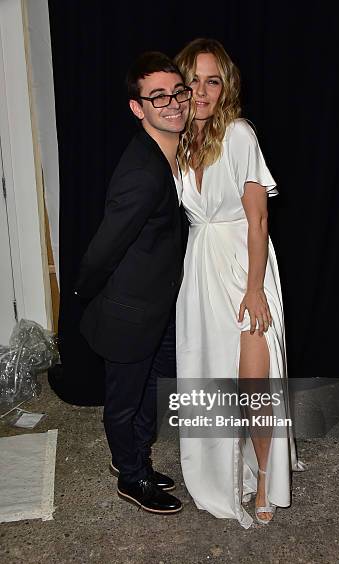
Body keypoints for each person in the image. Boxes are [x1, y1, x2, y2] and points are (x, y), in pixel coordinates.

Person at [175, 39, 304, 528]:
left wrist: (255, 289)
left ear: (225, 86)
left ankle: (268, 477)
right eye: (194, 81)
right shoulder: (180, 140)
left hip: (244, 264)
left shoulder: (239, 134)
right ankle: (224, 470)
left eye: (213, 80)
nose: (203, 91)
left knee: (256, 382)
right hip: (201, 267)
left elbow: (259, 220)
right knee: (211, 373)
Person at [75, 52, 192, 515]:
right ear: (137, 107)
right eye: (157, 96)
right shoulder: (143, 174)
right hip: (130, 311)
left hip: (155, 305)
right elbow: (104, 247)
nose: (173, 103)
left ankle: (135, 459)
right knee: (125, 401)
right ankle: (131, 476)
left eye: (177, 92)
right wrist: (83, 297)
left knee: (149, 392)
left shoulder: (163, 153)